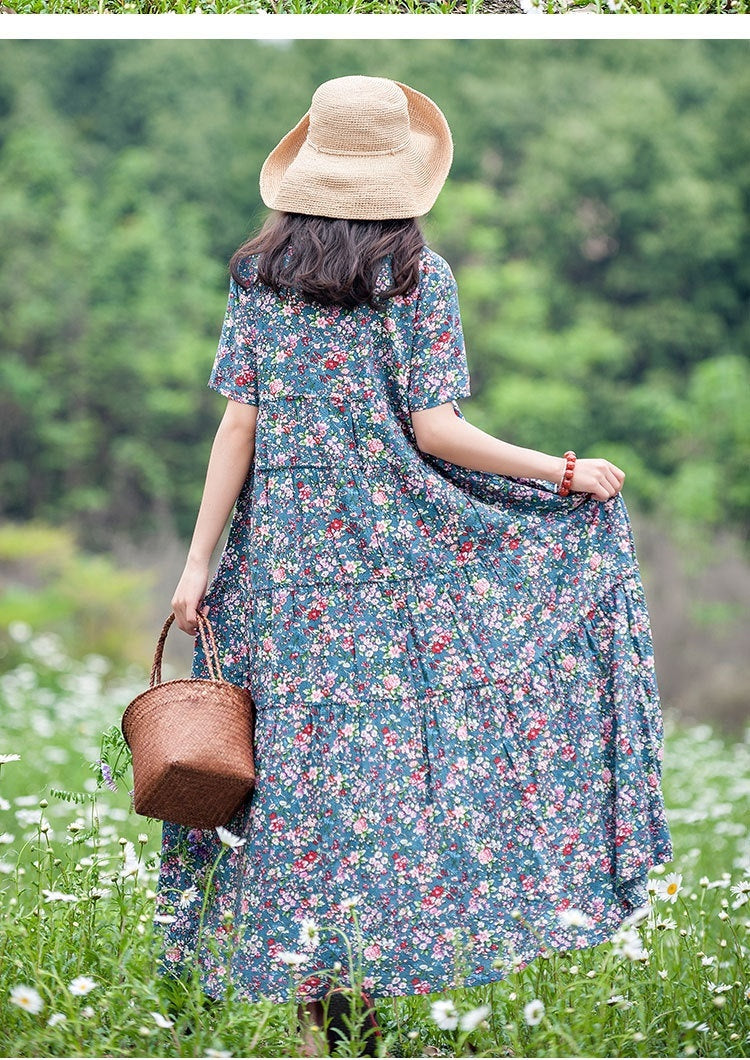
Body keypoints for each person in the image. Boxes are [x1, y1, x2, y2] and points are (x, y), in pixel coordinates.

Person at [156, 75, 674, 1057]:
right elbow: (437, 432)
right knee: (380, 791)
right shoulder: (418, 279)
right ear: (401, 176)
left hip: (280, 576)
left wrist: (197, 564)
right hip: (393, 574)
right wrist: (560, 472)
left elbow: (239, 422)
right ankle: (358, 1024)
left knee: (297, 794)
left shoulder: (257, 276)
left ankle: (328, 1034)